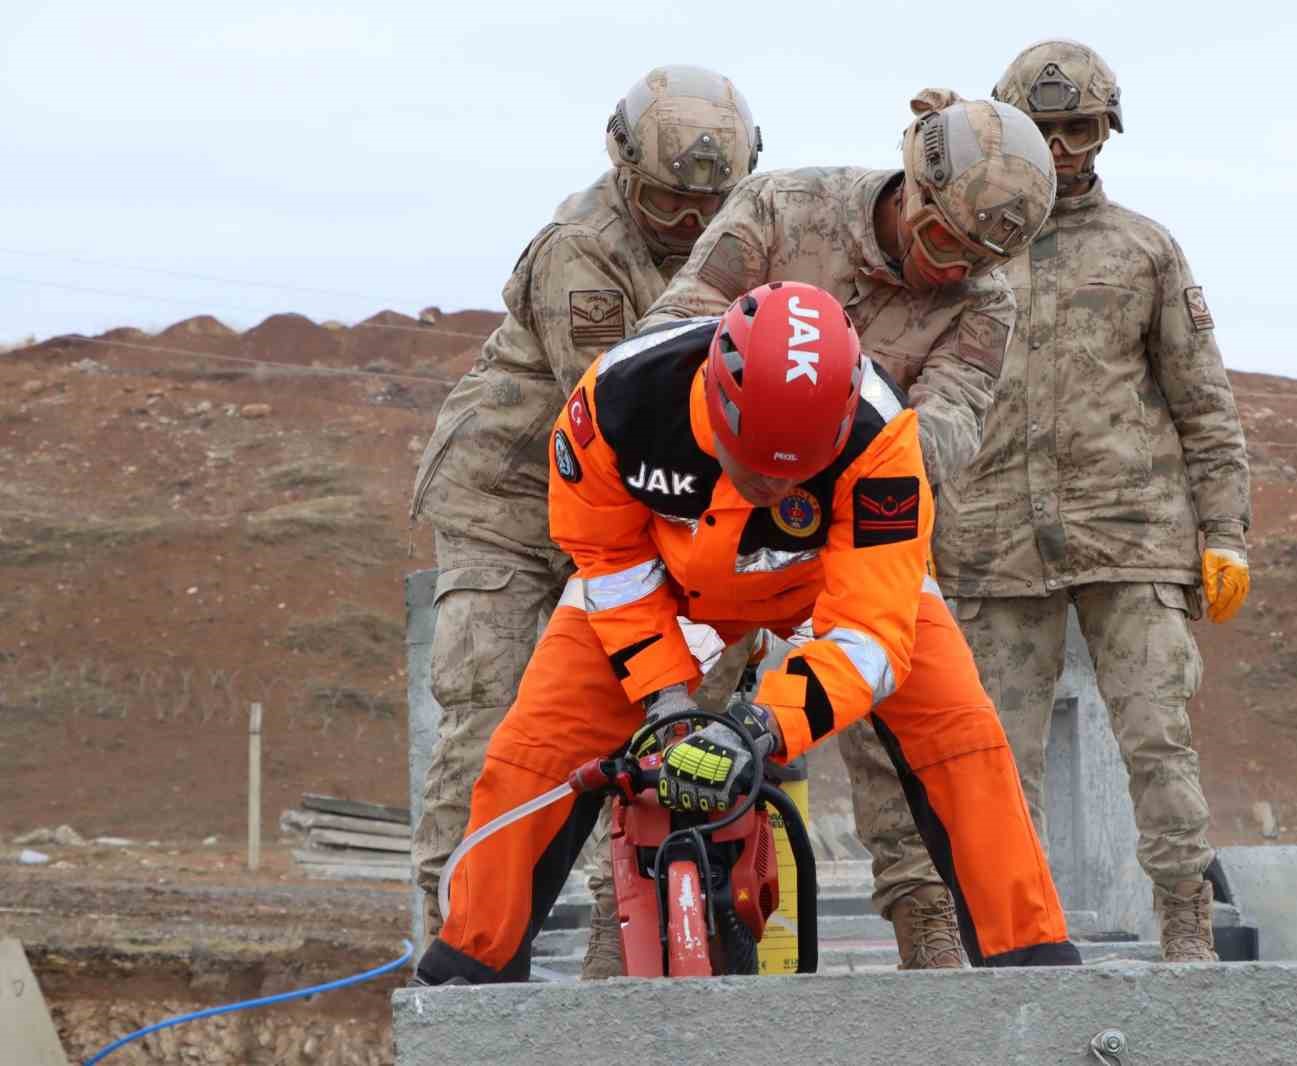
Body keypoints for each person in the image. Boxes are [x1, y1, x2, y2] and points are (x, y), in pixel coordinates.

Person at [411, 282, 1080, 984]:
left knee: (962, 736)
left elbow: (873, 635)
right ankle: (470, 974)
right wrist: (664, 694)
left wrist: (759, 728)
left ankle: (1034, 968)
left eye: (791, 471)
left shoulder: (884, 441)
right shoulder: (617, 402)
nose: (767, 485)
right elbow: (606, 557)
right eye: (753, 462)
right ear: (716, 398)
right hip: (664, 582)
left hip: (829, 582)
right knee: (534, 748)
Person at [614, 91, 1057, 970]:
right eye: (944, 244)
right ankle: (636, 925)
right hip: (721, 514)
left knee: (913, 721)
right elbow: (673, 336)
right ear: (914, 194)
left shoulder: (984, 299)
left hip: (860, 530)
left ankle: (927, 926)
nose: (955, 270)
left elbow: (952, 426)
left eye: (980, 258)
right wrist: (762, 430)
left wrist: (832, 456)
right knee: (670, 728)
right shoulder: (784, 210)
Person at [407, 65, 761, 946]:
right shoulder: (581, 248)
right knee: (493, 723)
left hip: (638, 505)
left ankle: (635, 953)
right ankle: (456, 948)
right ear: (622, 167)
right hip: (516, 508)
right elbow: (611, 410)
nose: (688, 225)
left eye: (705, 206)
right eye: (667, 202)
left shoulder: (744, 238)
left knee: (682, 729)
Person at [931, 39, 1253, 961]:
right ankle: (1014, 936)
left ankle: (1186, 923)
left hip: (1134, 535)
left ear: (1106, 131)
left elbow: (1204, 402)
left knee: (1158, 741)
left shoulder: (1144, 249)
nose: (1065, 149)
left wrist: (1225, 531)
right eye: (1046, 130)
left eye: (1080, 128)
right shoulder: (962, 246)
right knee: (996, 763)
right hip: (992, 544)